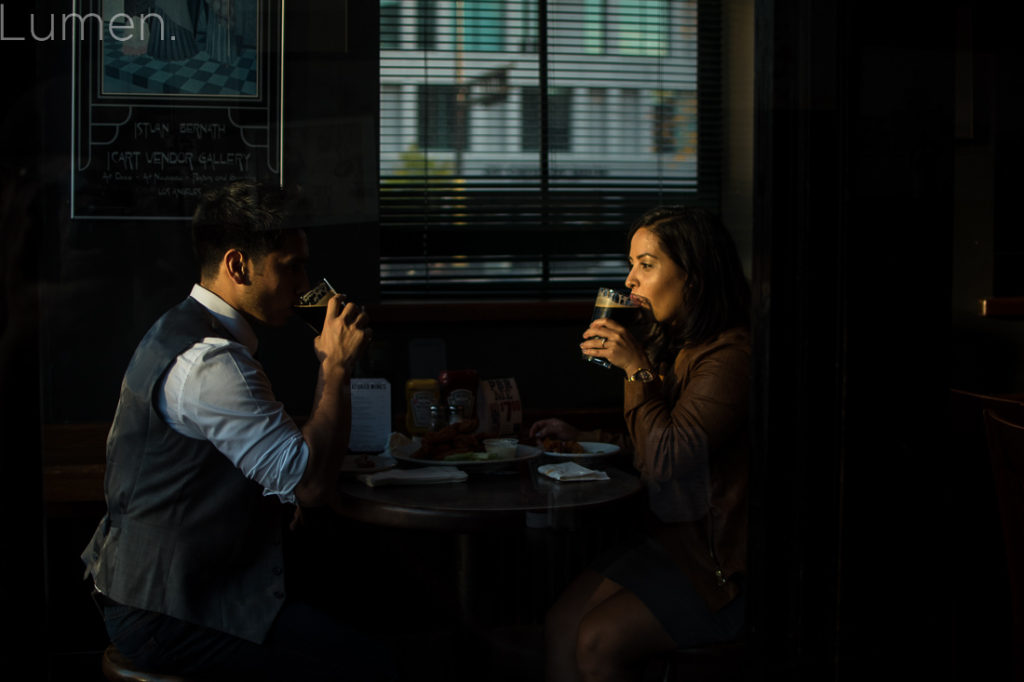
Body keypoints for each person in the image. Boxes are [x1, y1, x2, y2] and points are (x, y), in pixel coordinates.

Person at [80, 180, 396, 681]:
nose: (305, 282)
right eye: (291, 266)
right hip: (168, 613)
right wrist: (335, 367)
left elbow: (291, 475)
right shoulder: (210, 362)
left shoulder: (195, 334)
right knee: (376, 667)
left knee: (381, 611)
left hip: (201, 588)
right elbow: (311, 487)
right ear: (237, 265)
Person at [532, 205, 751, 682]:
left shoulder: (731, 357)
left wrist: (635, 370)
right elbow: (651, 445)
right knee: (561, 624)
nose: (630, 280)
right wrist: (585, 439)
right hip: (671, 542)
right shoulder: (675, 345)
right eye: (631, 264)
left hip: (718, 570)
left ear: (692, 277)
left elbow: (668, 460)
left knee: (596, 641)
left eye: (646, 265)